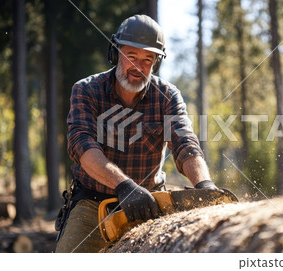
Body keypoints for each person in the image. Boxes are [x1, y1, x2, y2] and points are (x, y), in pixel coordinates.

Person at [54, 14, 219, 253]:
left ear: (156, 62)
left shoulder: (168, 96)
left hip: (151, 203)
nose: (137, 67)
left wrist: (204, 184)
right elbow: (82, 145)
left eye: (147, 60)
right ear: (115, 53)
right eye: (131, 57)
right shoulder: (86, 90)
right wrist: (123, 185)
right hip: (93, 203)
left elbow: (184, 142)